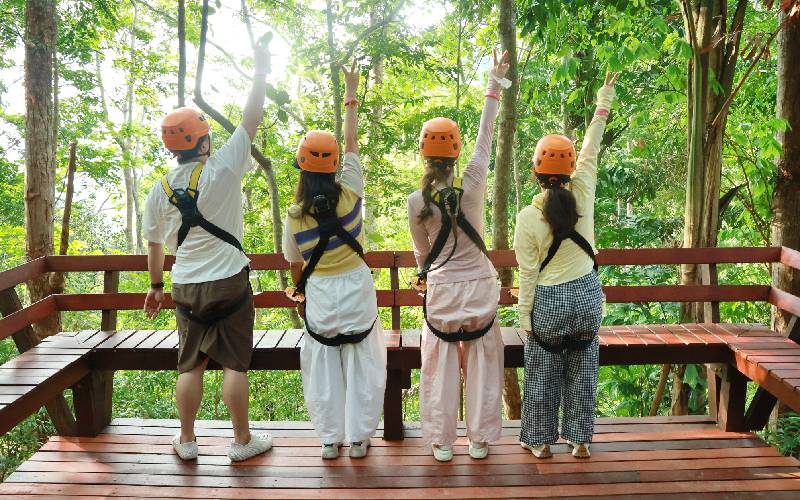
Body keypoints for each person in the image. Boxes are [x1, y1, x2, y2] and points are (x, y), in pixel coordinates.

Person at [142, 36, 274, 462]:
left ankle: (187, 440)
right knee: (235, 364)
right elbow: (250, 119)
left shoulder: (158, 190)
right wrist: (260, 68)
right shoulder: (222, 168)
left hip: (185, 288)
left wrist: (156, 285)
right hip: (229, 283)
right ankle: (240, 441)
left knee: (190, 364)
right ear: (202, 141)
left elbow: (155, 243)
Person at [407, 49, 510, 462]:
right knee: (483, 366)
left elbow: (422, 252)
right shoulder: (474, 181)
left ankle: (442, 442)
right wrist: (493, 84)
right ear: (455, 153)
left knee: (441, 368)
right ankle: (480, 440)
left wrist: (423, 277)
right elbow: (487, 135)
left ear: (423, 154)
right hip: (481, 292)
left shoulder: (417, 201)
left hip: (444, 294)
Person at [283, 61, 386, 460]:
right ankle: (360, 439)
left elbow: (295, 265)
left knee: (324, 364)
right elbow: (353, 142)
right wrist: (350, 95)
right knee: (364, 359)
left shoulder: (293, 216)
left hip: (322, 293)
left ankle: (330, 440)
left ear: (302, 167)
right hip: (357, 286)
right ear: (334, 164)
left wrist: (302, 291)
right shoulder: (352, 192)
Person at [514, 72, 619, 459]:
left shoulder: (528, 216)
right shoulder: (584, 187)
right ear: (572, 167)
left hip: (551, 302)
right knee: (583, 366)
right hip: (588, 296)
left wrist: (525, 317)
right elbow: (592, 144)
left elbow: (528, 273)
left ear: (536, 171)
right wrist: (603, 98)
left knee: (543, 370)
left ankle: (540, 443)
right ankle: (580, 440)